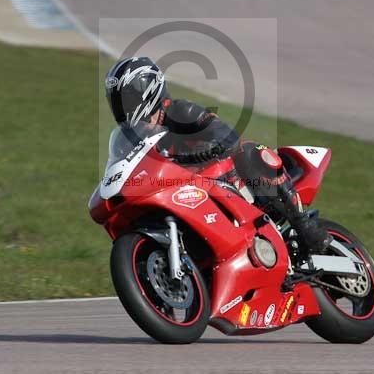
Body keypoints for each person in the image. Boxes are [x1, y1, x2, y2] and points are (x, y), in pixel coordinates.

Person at [104, 56, 330, 254]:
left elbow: (227, 136)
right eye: (116, 101)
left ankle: (304, 226)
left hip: (228, 181)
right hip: (185, 195)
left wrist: (203, 150)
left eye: (127, 99)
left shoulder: (182, 111)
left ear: (148, 91)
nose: (122, 108)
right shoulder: (132, 139)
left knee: (252, 151)